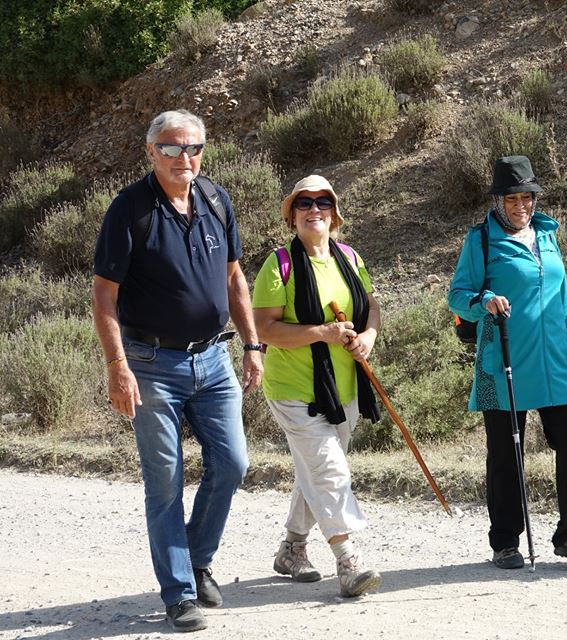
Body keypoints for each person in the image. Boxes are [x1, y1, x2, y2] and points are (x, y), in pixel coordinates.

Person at [92, 109, 262, 631]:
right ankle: (179, 592)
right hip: (150, 364)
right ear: (151, 152)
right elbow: (103, 294)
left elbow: (235, 277)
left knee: (232, 464)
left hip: (213, 359)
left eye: (192, 148)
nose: (182, 157)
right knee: (164, 480)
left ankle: (196, 559)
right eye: (170, 148)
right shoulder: (130, 208)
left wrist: (252, 343)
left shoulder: (215, 199)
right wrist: (117, 364)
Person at [448, 155, 567, 569]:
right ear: (498, 201)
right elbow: (457, 296)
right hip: (500, 359)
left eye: (527, 197)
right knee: (505, 454)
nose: (522, 205)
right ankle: (505, 542)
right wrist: (484, 301)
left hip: (556, 357)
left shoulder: (547, 234)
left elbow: (563, 299)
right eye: (512, 198)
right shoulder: (480, 240)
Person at [252, 175, 382, 597]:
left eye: (322, 203)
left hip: (344, 389)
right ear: (292, 216)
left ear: (334, 213)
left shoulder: (349, 256)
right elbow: (265, 329)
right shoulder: (280, 264)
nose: (314, 210)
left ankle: (292, 547)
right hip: (294, 390)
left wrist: (367, 338)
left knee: (317, 469)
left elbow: (371, 308)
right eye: (304, 203)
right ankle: (348, 560)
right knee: (328, 469)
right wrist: (321, 332)